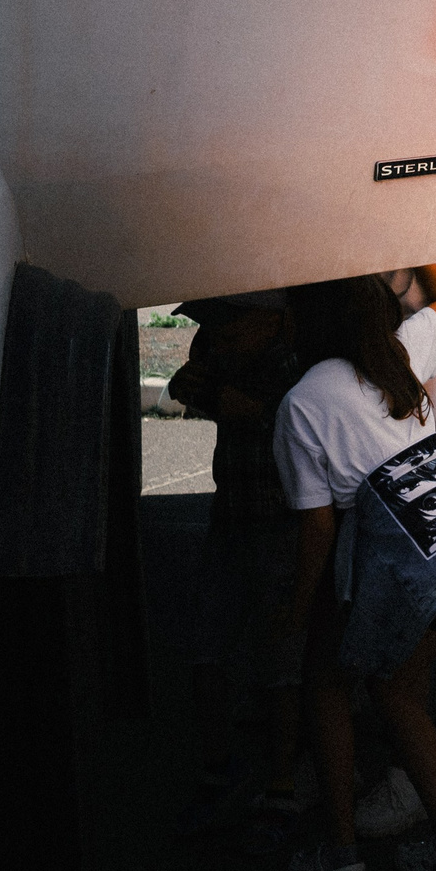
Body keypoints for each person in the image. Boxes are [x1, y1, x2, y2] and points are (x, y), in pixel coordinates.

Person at [276, 265, 436, 871]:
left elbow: (319, 534)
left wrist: (297, 618)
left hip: (393, 572)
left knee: (327, 686)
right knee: (401, 696)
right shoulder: (400, 354)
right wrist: (409, 235)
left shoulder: (301, 402)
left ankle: (342, 856)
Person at [165, 290, 306, 842]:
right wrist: (202, 388)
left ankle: (283, 782)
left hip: (283, 518)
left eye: (230, 321)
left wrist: (260, 412)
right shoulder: (222, 351)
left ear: (271, 319)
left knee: (282, 654)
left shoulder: (296, 364)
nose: (218, 332)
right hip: (232, 514)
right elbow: (184, 382)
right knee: (209, 642)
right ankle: (219, 766)